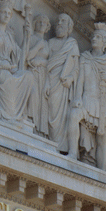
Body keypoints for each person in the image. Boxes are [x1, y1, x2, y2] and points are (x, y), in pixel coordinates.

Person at [66, 22, 106, 171]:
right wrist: (77, 98)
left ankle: (102, 172)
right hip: (86, 100)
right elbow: (80, 80)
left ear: (104, 43)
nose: (93, 38)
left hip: (102, 104)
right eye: (93, 36)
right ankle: (72, 152)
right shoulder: (85, 57)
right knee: (73, 115)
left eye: (98, 37)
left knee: (102, 138)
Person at [0, 1, 38, 124]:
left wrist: (27, 37)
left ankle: (17, 114)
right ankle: (9, 115)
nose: (7, 15)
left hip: (9, 69)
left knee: (28, 76)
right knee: (7, 77)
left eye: (9, 13)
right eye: (4, 12)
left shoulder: (9, 36)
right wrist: (0, 62)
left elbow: (20, 55)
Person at [45, 14, 79, 152]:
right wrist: (46, 81)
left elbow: (76, 68)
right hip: (50, 81)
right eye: (57, 21)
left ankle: (58, 147)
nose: (59, 23)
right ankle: (49, 142)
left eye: (63, 21)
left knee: (62, 117)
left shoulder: (72, 44)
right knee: (50, 111)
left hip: (63, 85)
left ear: (69, 27)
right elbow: (44, 64)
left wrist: (71, 78)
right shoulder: (50, 42)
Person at [26, 14, 51, 135]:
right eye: (39, 22)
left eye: (44, 23)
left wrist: (41, 62)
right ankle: (30, 122)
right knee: (33, 95)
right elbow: (26, 56)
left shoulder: (48, 44)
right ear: (35, 24)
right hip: (32, 72)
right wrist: (37, 46)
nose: (42, 24)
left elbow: (51, 63)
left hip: (44, 75)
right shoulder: (30, 38)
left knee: (43, 103)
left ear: (47, 27)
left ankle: (39, 130)